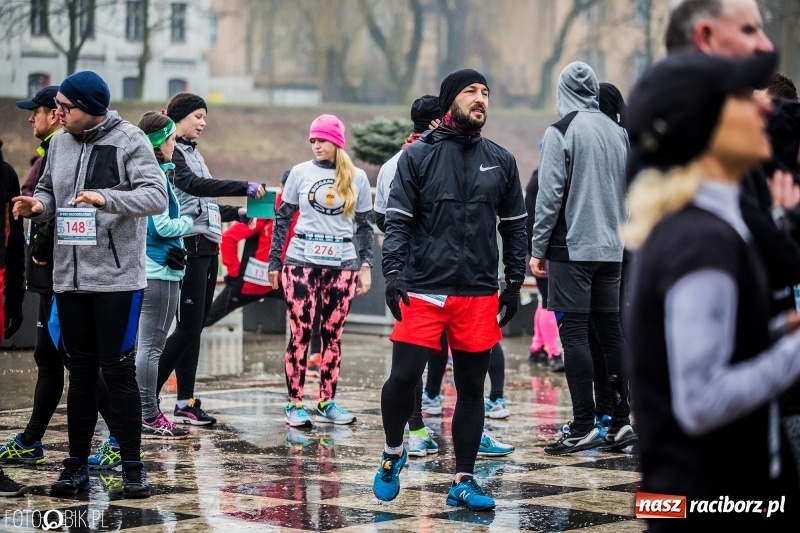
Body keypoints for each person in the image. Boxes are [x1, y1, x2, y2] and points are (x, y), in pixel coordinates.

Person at [624, 50, 800, 530]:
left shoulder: (710, 225)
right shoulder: (700, 241)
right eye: (745, 99)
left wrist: (774, 328)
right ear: (705, 126)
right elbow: (701, 400)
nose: (769, 108)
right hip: (708, 505)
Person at [375, 68, 527, 511]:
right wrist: (393, 273)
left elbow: (515, 229)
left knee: (471, 388)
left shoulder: (501, 159)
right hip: (422, 288)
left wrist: (513, 281)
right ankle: (392, 452)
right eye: (471, 92)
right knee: (404, 378)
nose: (481, 99)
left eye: (485, 93)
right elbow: (398, 221)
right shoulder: (417, 157)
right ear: (449, 101)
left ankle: (463, 476)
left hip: (478, 291)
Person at [12, 70, 167, 498]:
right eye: (56, 107)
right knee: (79, 374)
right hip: (70, 279)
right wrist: (36, 205)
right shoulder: (59, 143)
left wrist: (107, 197)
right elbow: (48, 191)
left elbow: (156, 196)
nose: (57, 114)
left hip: (118, 280)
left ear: (92, 109)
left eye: (65, 107)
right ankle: (74, 465)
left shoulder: (130, 140)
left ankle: (133, 467)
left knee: (117, 373)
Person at [530, 62, 634, 455]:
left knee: (573, 334)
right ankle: (621, 423)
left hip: (572, 249)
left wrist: (538, 249)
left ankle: (582, 424)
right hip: (613, 249)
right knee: (611, 333)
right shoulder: (618, 131)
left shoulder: (560, 131)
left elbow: (550, 194)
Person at [155, 93, 264, 427]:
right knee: (188, 326)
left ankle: (185, 401)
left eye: (205, 117)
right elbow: (191, 186)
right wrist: (242, 186)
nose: (202, 123)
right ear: (180, 117)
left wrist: (238, 212)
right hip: (189, 243)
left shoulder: (193, 153)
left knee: (194, 328)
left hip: (207, 244)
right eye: (198, 116)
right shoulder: (173, 153)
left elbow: (206, 202)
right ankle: (144, 398)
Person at [267, 114, 373, 428]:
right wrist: (275, 262)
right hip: (301, 262)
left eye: (322, 140)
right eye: (312, 140)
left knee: (332, 336)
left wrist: (366, 267)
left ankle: (326, 401)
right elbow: (282, 219)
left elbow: (365, 227)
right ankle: (294, 403)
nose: (316, 145)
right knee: (300, 334)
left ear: (336, 142)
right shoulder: (300, 173)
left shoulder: (357, 177)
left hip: (342, 264)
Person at [0, 87, 61, 465]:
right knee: (50, 357)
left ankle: (122, 437)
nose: (29, 118)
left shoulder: (60, 151)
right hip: (49, 276)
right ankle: (31, 439)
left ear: (55, 114)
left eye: (35, 111)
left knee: (72, 359)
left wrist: (40, 248)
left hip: (58, 275)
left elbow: (64, 206)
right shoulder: (49, 152)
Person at [135, 111, 194, 440]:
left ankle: (144, 410)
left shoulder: (155, 172)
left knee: (149, 345)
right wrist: (188, 220)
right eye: (171, 139)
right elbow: (161, 226)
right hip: (158, 270)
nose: (175, 144)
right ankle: (147, 413)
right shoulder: (154, 176)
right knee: (152, 346)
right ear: (159, 143)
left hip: (161, 267)